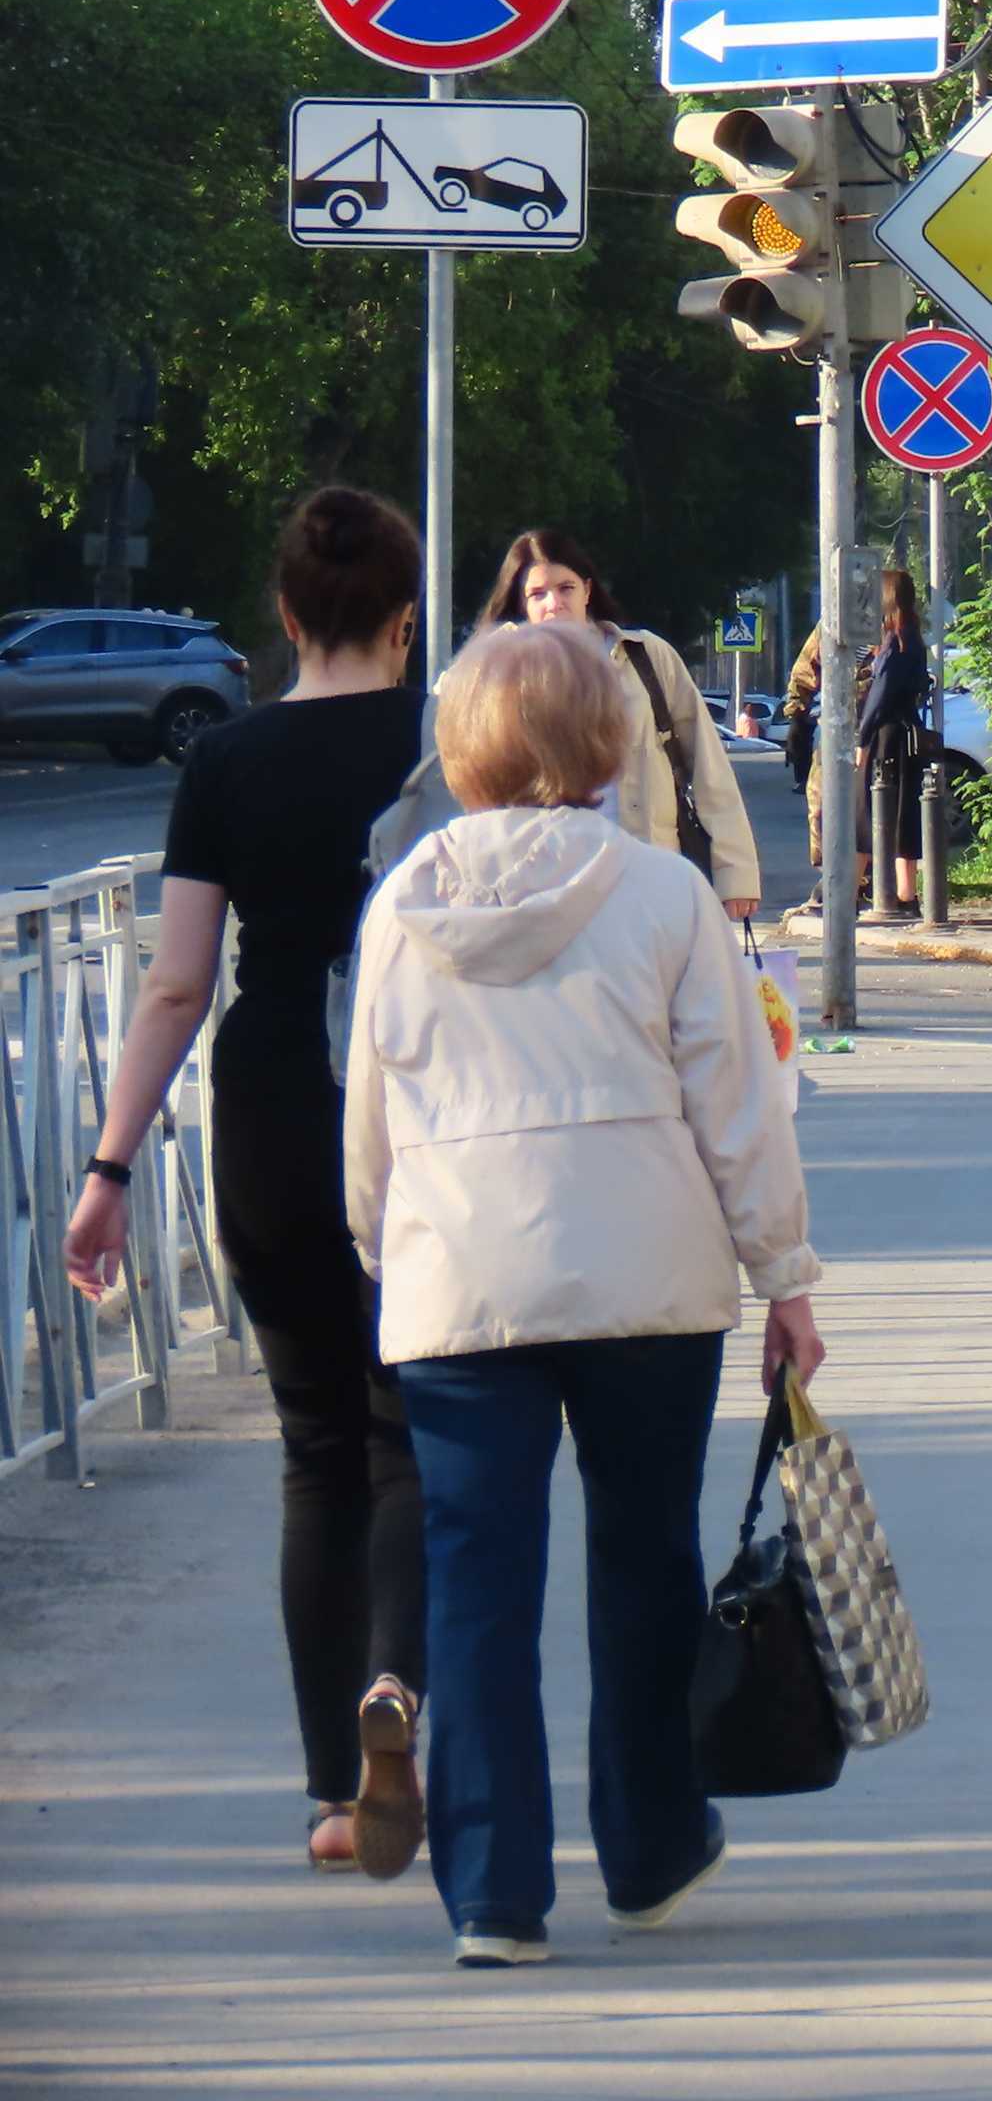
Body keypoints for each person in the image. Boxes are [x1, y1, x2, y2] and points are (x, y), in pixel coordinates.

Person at [342, 622, 823, 1970]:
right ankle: (652, 1851)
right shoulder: (663, 895)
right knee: (645, 1560)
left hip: (460, 1283)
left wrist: (385, 1253)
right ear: (605, 743)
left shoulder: (402, 906)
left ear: (463, 750)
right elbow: (737, 1106)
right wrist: (784, 1276)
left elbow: (369, 1117)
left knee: (475, 1585)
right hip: (646, 1280)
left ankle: (494, 1896)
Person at [62, 489, 430, 1879]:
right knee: (410, 1440)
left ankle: (335, 1793)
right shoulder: (445, 745)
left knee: (316, 1449)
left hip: (273, 1113)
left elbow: (175, 983)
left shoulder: (225, 759)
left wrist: (109, 1166)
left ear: (284, 616)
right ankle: (398, 1686)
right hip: (423, 1123)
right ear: (406, 619)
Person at [479, 531, 761, 920]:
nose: (554, 604)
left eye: (565, 588)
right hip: (546, 886)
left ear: (587, 590)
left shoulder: (645, 656)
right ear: (520, 604)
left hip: (646, 875)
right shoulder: (501, 672)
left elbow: (709, 768)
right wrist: (497, 651)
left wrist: (735, 873)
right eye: (537, 594)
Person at [857, 568, 930, 916]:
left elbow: (879, 694)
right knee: (905, 812)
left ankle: (849, 890)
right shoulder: (913, 637)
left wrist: (862, 739)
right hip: (907, 733)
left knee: (866, 810)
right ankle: (906, 894)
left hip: (886, 736)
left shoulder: (893, 642)